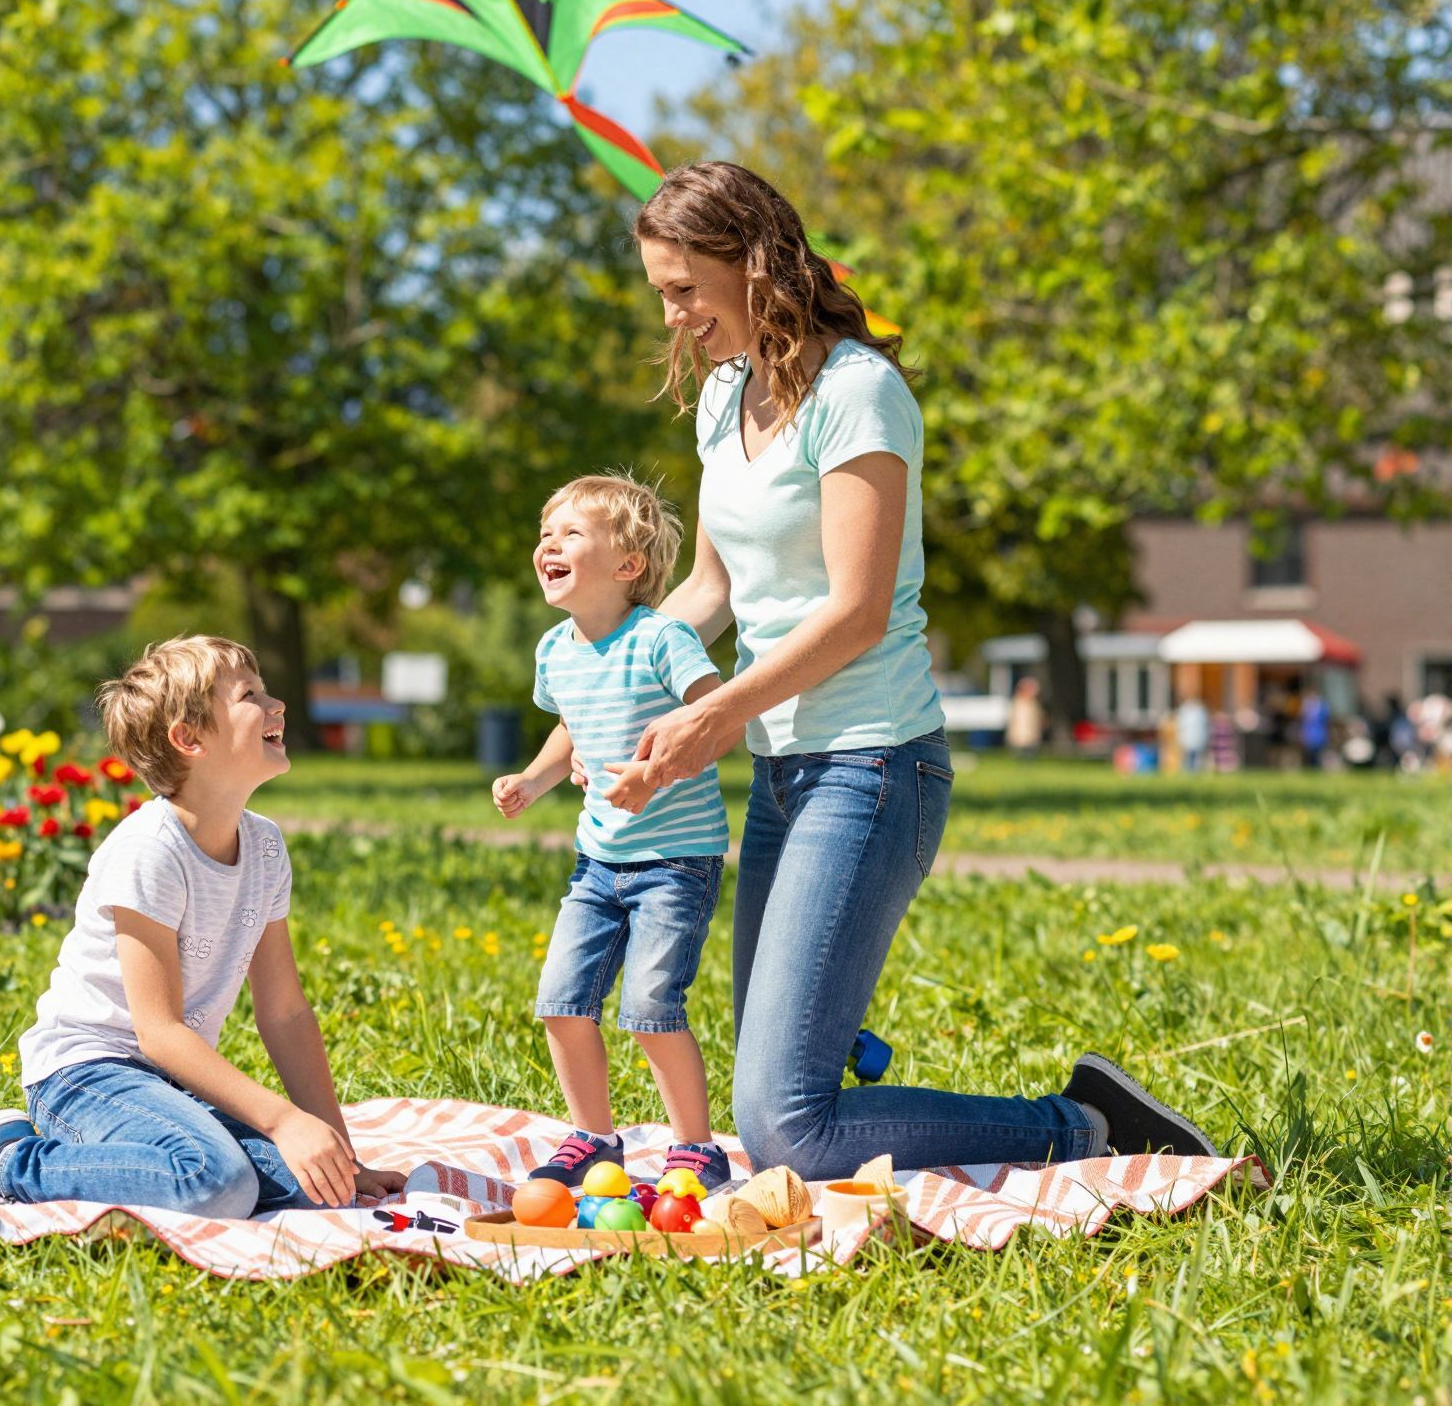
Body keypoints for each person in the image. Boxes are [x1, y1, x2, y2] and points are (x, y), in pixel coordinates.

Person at [591, 161, 1215, 1176]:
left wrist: (713, 717)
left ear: (751, 265)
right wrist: (607, 689)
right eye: (660, 292)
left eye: (683, 289)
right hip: (782, 773)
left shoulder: (857, 393)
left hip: (873, 768)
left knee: (786, 1128)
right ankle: (850, 1043)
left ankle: (1085, 1124)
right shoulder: (723, 397)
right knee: (775, 1104)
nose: (670, 316)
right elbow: (710, 586)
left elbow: (856, 613)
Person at [0, 636, 407, 1214]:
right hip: (85, 1074)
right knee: (214, 1183)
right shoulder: (150, 851)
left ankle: (129, 1161)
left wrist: (345, 1160)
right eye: (249, 695)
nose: (276, 704)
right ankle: (2, 1162)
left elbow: (284, 1013)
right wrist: (282, 1119)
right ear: (189, 739)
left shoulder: (264, 847)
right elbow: (157, 1032)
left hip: (167, 1085)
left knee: (319, 1187)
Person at [491, 474, 733, 1189]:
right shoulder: (555, 650)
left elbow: (717, 720)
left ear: (628, 564)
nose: (549, 544)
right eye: (545, 533)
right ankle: (595, 1138)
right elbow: (571, 725)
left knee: (651, 1009)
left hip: (675, 860)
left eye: (571, 534)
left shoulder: (662, 639)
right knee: (561, 1003)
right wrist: (534, 780)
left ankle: (697, 1147)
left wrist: (653, 773)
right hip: (597, 862)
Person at [1005, 676, 1045, 758]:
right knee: (1022, 749)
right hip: (1022, 732)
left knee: (1030, 749)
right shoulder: (1019, 702)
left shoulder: (1033, 703)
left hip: (1031, 732)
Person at [1175, 694, 1210, 775]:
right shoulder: (1184, 711)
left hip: (1197, 737)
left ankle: (1196, 771)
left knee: (1197, 757)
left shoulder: (1200, 711)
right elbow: (1181, 725)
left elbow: (1204, 725)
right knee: (1187, 756)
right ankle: (1187, 772)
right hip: (1187, 738)